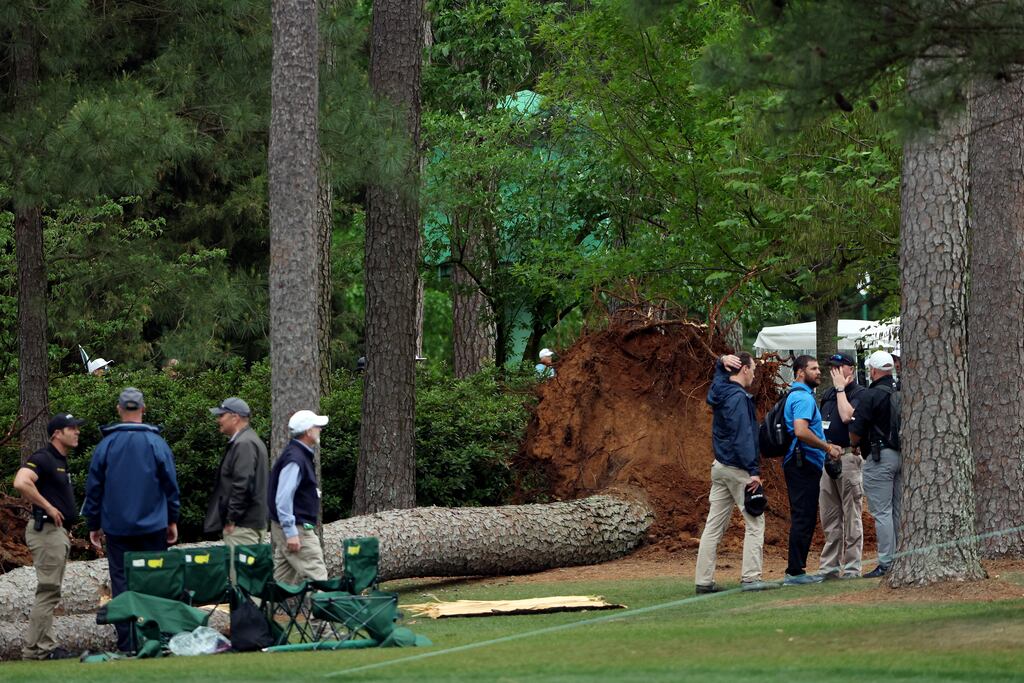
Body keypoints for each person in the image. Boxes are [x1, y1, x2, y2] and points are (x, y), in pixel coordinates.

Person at [82, 387, 180, 653]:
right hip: (153, 526)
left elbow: (94, 488)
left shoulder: (107, 445)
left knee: (123, 584)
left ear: (118, 410)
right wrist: (172, 519)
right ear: (143, 409)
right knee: (155, 581)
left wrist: (93, 523)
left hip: (118, 528)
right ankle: (156, 640)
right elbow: (171, 486)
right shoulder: (156, 443)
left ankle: (129, 643)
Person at [694, 354, 777, 594]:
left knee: (713, 526)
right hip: (738, 468)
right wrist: (753, 471)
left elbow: (716, 385)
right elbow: (743, 437)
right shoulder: (739, 398)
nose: (754, 374)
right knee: (755, 521)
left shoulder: (721, 391)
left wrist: (720, 365)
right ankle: (751, 579)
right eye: (753, 369)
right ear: (743, 370)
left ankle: (704, 581)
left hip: (719, 467)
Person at [12, 413, 86, 660]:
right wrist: (48, 506)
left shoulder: (60, 461)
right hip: (46, 532)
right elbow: (21, 482)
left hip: (57, 534)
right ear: (57, 433)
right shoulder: (43, 458)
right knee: (48, 591)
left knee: (49, 591)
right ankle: (45, 649)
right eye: (72, 428)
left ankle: (32, 651)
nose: (77, 432)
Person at [782, 355, 843, 586]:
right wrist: (827, 447)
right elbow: (800, 431)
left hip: (801, 462)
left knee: (804, 516)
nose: (819, 372)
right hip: (802, 463)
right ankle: (795, 573)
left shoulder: (798, 396)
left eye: (819, 368)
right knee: (803, 517)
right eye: (814, 368)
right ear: (800, 372)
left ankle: (796, 570)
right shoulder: (803, 398)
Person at [204, 397, 268, 580]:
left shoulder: (244, 444)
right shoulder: (250, 440)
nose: (218, 420)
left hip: (242, 526)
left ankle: (245, 610)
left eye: (221, 415)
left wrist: (232, 518)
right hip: (250, 522)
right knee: (249, 580)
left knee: (242, 582)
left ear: (235, 417)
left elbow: (243, 483)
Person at [850, 350, 901, 578]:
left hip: (880, 457)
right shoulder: (900, 391)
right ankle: (901, 556)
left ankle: (887, 562)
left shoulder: (870, 396)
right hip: (902, 457)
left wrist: (853, 444)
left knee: (882, 512)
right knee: (897, 510)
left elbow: (855, 432)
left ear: (873, 370)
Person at [817, 353, 866, 579]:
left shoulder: (859, 392)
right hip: (828, 457)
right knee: (830, 515)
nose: (834, 371)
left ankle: (853, 567)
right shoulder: (826, 394)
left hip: (848, 458)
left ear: (850, 369)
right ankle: (829, 567)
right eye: (832, 368)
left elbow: (848, 416)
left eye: (839, 367)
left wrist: (840, 390)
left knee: (852, 514)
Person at [268, 409, 329, 584]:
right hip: (297, 528)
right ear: (308, 431)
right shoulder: (295, 458)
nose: (320, 430)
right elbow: (283, 497)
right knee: (318, 577)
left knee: (281, 583)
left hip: (292, 526)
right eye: (317, 427)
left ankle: (258, 610)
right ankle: (325, 611)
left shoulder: (298, 455)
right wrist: (291, 531)